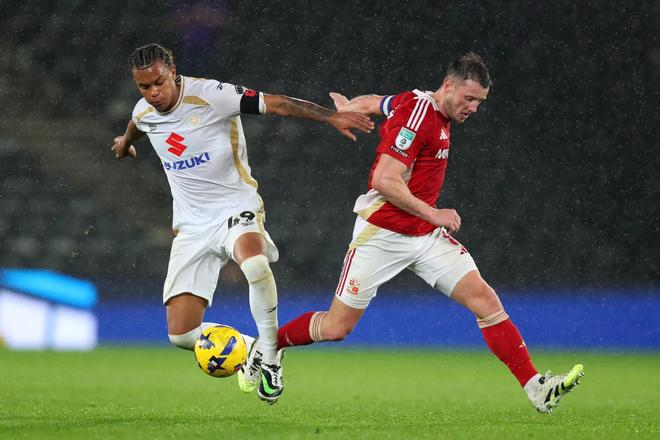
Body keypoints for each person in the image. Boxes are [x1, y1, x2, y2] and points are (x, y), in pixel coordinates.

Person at [243, 52, 584, 413]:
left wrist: (350, 106)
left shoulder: (415, 102)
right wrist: (434, 212)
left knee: (486, 302)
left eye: (479, 102)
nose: (473, 108)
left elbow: (377, 103)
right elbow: (383, 179)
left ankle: (536, 388)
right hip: (382, 234)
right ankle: (268, 345)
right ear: (448, 86)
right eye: (469, 98)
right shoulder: (418, 117)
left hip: (423, 236)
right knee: (335, 328)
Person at [110, 43, 374, 404]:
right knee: (181, 335)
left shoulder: (211, 95)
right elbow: (137, 124)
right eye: (144, 86)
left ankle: (271, 358)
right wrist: (125, 143)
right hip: (192, 225)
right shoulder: (144, 112)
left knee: (255, 264)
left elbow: (277, 103)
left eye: (159, 82)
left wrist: (329, 117)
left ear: (173, 71)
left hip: (236, 206)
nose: (153, 92)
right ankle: (254, 348)